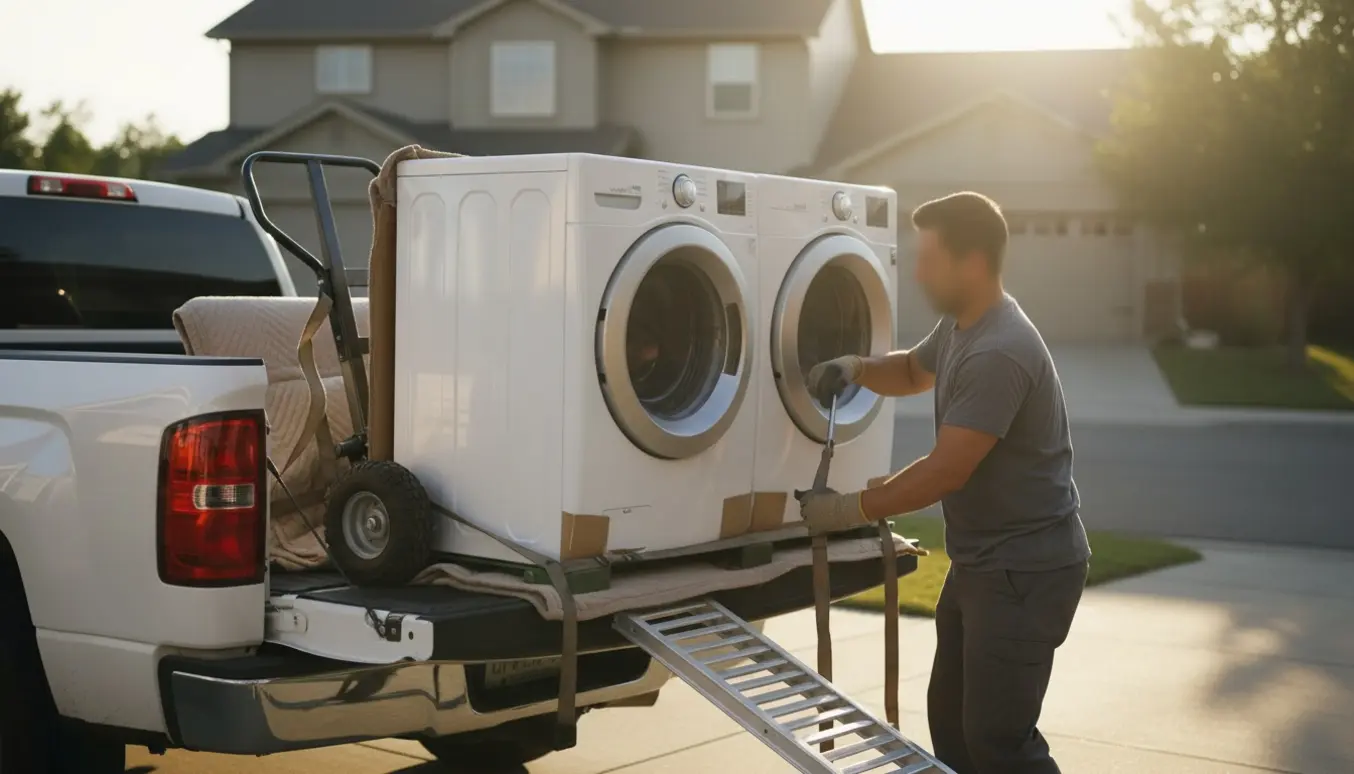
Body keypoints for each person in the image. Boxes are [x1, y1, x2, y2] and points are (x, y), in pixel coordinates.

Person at [799, 192, 1090, 774]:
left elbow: (944, 470)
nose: (919, 271)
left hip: (1025, 572)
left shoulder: (999, 351)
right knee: (954, 730)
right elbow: (911, 370)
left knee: (999, 742)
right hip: (984, 565)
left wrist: (846, 510)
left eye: (930, 258)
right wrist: (856, 368)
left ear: (973, 263)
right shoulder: (963, 327)